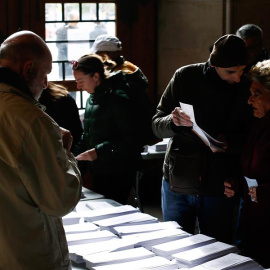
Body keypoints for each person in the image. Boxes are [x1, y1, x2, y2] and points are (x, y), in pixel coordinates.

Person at [152, 34, 252, 244]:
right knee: (175, 245)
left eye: (242, 70)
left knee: (218, 252)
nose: (237, 77)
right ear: (214, 64)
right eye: (231, 72)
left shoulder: (246, 85)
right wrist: (173, 122)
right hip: (179, 179)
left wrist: (231, 142)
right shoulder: (185, 76)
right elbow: (156, 125)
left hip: (220, 183)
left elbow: (253, 136)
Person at [0, 30, 81, 269]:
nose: (46, 84)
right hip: (26, 252)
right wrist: (65, 153)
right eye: (45, 74)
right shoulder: (31, 119)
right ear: (27, 69)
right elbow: (60, 200)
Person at [72, 54, 141, 204]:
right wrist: (73, 157)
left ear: (96, 76)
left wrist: (98, 151)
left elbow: (131, 140)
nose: (78, 86)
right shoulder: (93, 98)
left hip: (119, 170)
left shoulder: (118, 98)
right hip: (100, 169)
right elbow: (88, 134)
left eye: (80, 81)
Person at [224, 60, 270, 268]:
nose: (250, 101)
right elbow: (250, 165)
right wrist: (236, 182)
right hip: (252, 215)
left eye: (257, 94)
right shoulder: (258, 122)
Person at [90, 34, 157, 148]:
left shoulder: (121, 75)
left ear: (106, 54)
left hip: (134, 129)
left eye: (97, 54)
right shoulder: (127, 67)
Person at [39, 81, 83, 152]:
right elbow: (77, 132)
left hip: (59, 150)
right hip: (70, 149)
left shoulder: (36, 104)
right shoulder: (64, 96)